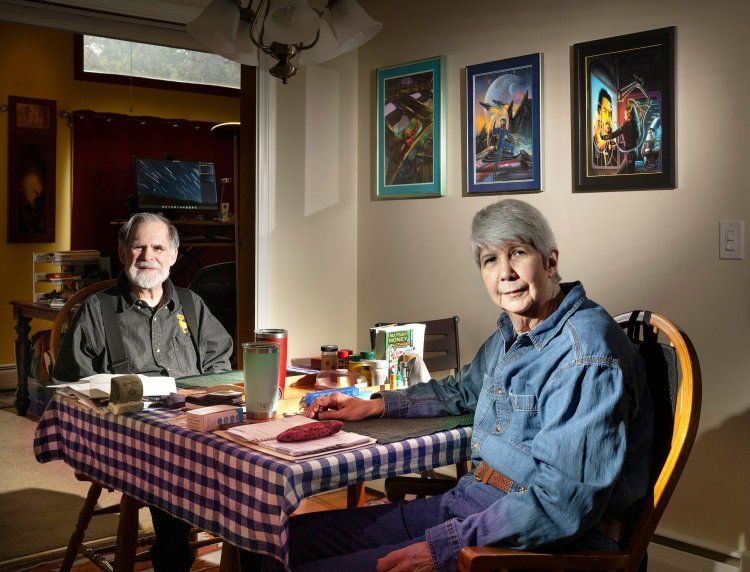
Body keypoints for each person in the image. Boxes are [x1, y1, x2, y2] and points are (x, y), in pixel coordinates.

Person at [243, 199, 654, 572]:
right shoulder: (517, 331)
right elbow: (459, 390)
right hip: (472, 502)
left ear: (550, 261)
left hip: (534, 542)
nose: (505, 273)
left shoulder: (587, 356)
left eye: (518, 253)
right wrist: (376, 404)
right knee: (276, 545)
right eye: (490, 260)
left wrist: (444, 547)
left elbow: (560, 506)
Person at [53, 211, 234, 571]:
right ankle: (174, 558)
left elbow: (221, 366)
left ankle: (240, 547)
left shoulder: (191, 304)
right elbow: (69, 388)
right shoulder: (97, 310)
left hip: (192, 422)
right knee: (175, 469)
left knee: (249, 463)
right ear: (123, 253)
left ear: (172, 255)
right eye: (138, 246)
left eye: (157, 247)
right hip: (128, 434)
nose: (147, 255)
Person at [591, 88, 618, 168]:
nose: (608, 117)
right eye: (605, 111)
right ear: (599, 112)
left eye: (609, 113)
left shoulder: (613, 144)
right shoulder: (593, 143)